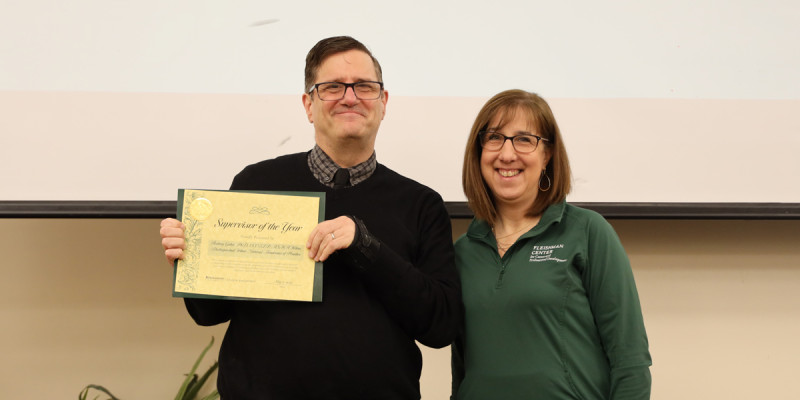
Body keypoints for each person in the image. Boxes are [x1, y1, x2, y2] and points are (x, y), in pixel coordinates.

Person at [160, 36, 461, 399]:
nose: (350, 97)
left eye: (364, 87)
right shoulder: (256, 184)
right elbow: (209, 312)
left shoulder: (422, 204)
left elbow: (440, 326)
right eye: (333, 87)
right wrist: (189, 255)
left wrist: (366, 246)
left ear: (382, 104)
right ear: (308, 105)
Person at [450, 89, 652, 399]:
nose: (506, 154)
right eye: (494, 138)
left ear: (548, 155)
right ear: (478, 152)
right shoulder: (463, 251)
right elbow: (462, 369)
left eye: (524, 139)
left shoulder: (588, 232)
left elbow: (631, 362)